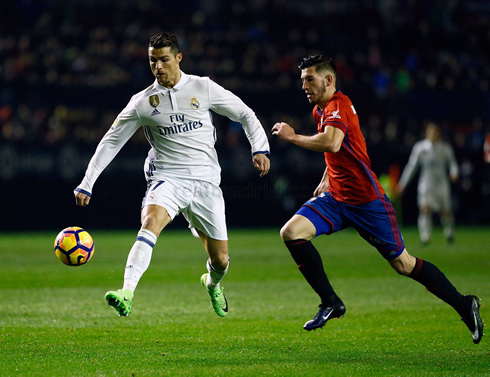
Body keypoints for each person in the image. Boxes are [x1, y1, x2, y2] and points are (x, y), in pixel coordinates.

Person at [271, 54, 483, 344]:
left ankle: (464, 304)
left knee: (403, 265)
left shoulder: (338, 105)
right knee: (291, 232)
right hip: (336, 198)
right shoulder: (321, 110)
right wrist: (325, 178)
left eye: (310, 79)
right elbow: (337, 150)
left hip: (367, 201)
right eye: (302, 80)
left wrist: (293, 137)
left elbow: (332, 141)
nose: (304, 85)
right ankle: (330, 301)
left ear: (328, 79)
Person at [74, 32, 270, 318]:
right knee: (150, 221)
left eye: (164, 60)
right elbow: (111, 140)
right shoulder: (143, 102)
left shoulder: (202, 88)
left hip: (205, 182)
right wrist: (87, 182)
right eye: (153, 61)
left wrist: (260, 148)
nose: (158, 67)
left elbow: (245, 114)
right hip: (167, 177)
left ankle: (212, 283)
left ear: (179, 58)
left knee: (221, 260)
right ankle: (126, 292)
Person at [396, 123, 459, 245]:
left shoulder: (445, 148)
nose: (433, 134)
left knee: (445, 210)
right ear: (426, 133)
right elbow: (411, 167)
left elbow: (452, 163)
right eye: (431, 132)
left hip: (442, 183)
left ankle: (449, 233)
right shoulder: (420, 148)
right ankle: (425, 237)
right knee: (425, 209)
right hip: (426, 183)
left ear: (438, 133)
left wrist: (454, 173)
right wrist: (402, 183)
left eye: (435, 132)